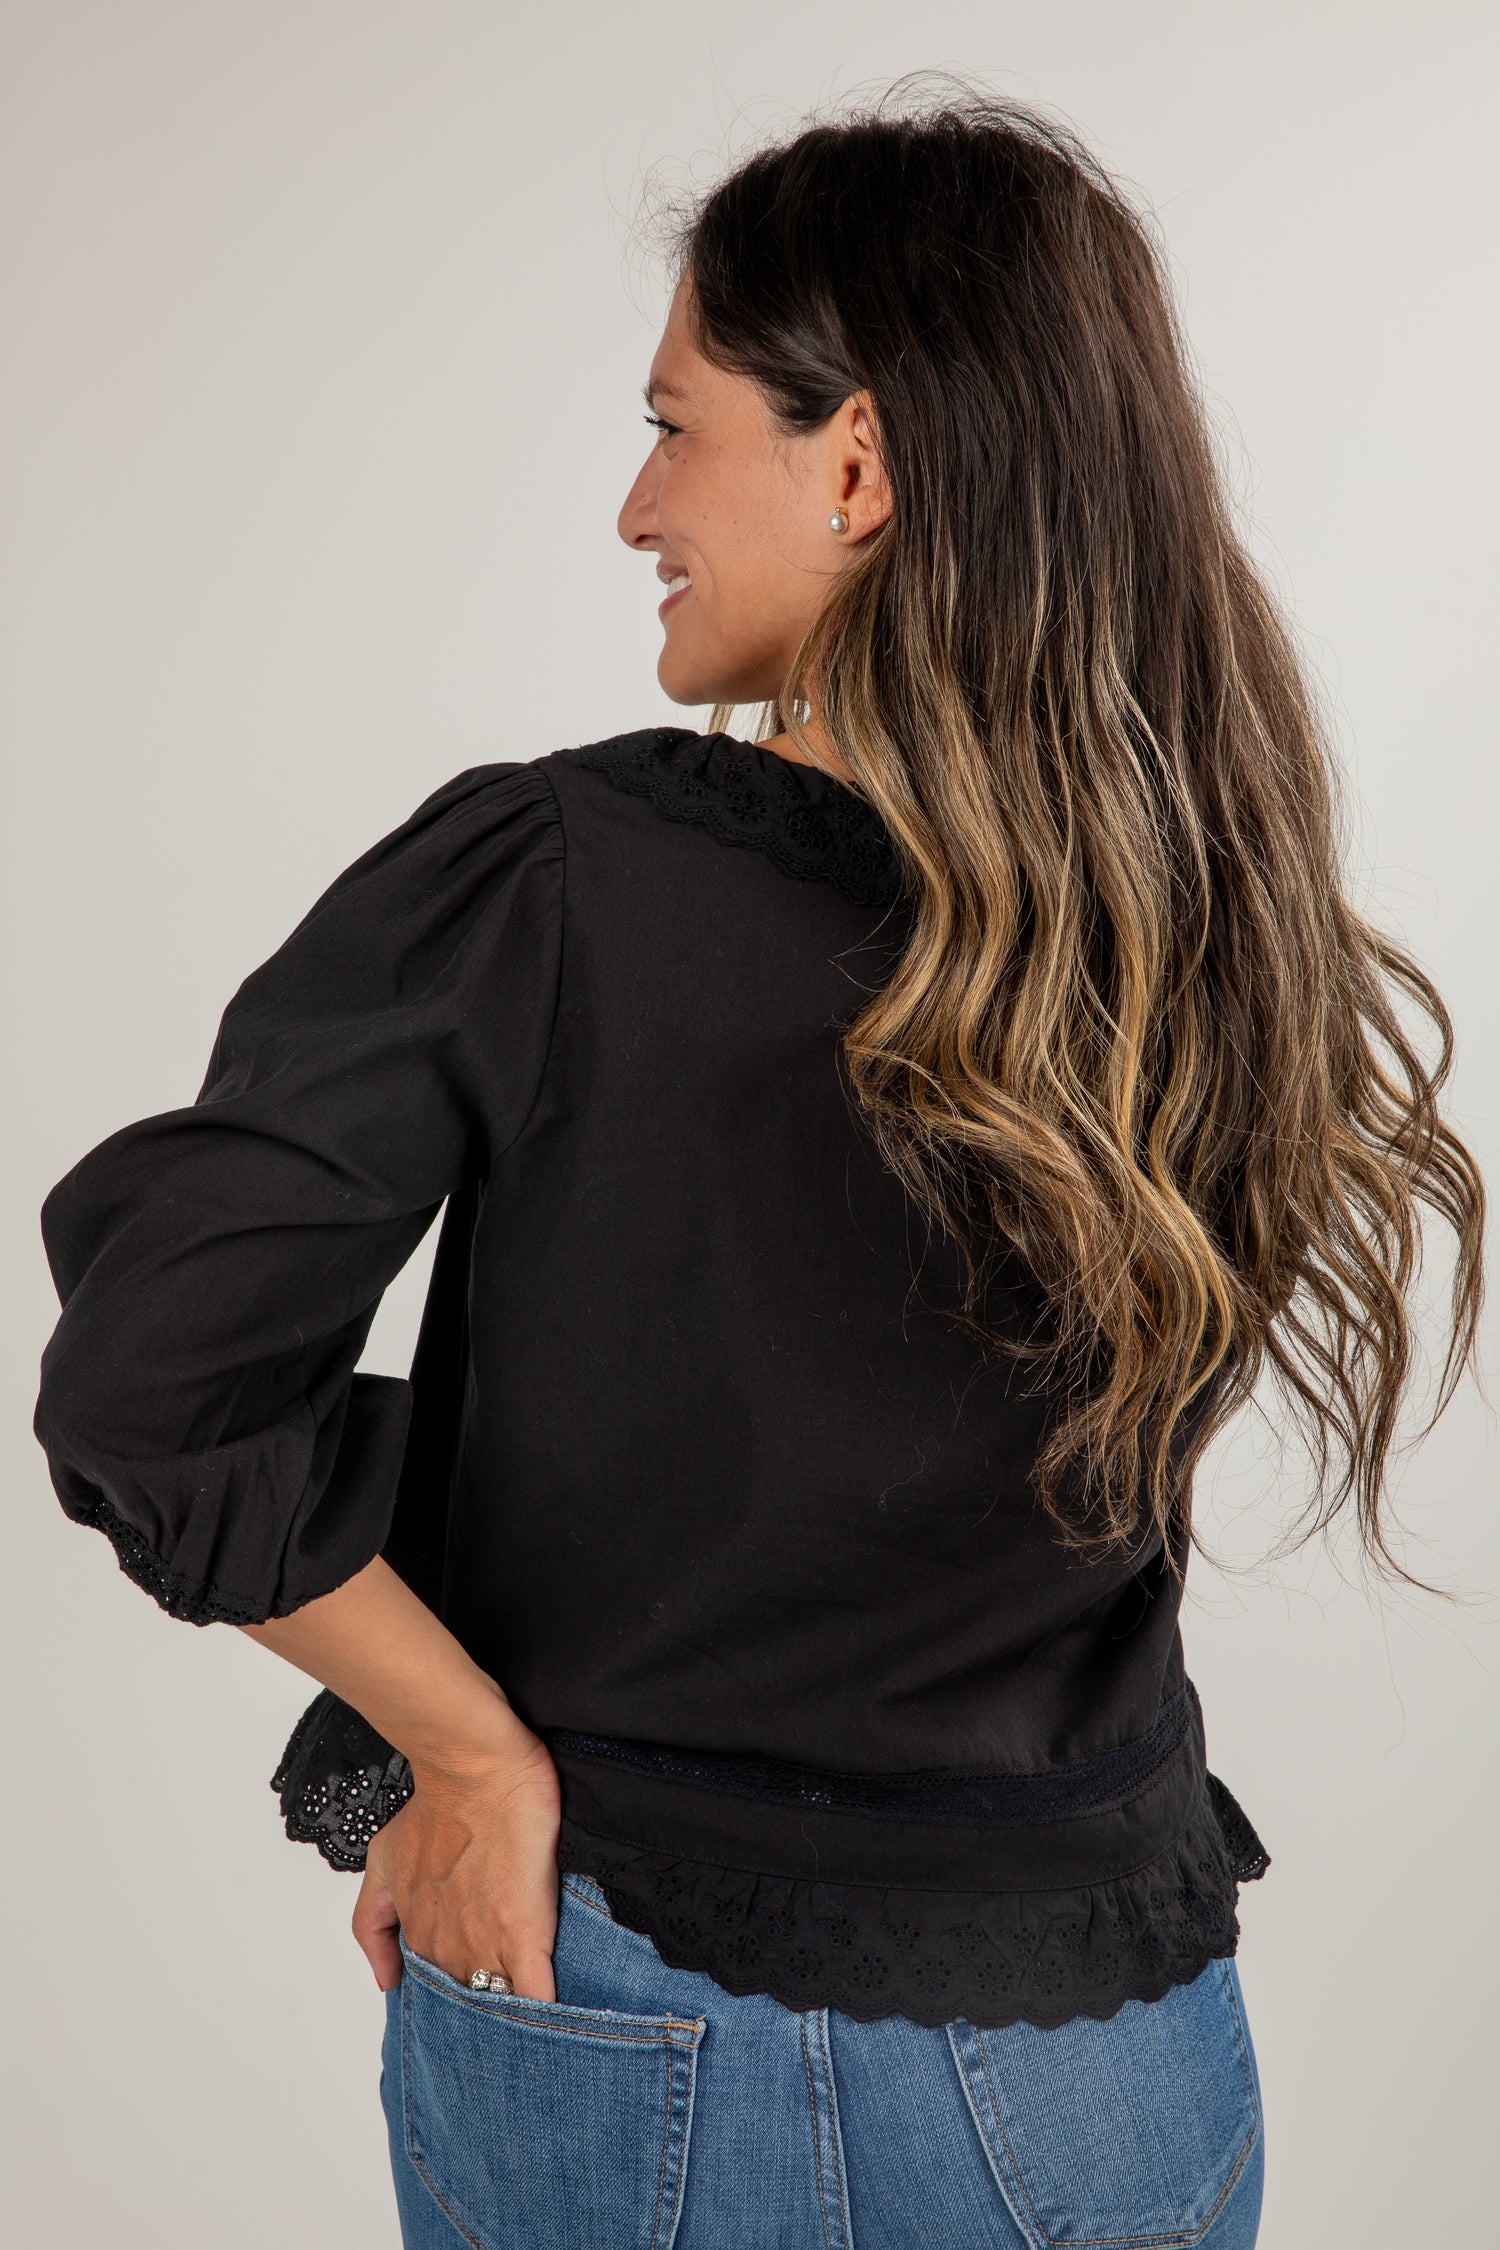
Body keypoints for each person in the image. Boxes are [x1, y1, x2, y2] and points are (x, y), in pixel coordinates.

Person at [33, 85, 1485, 2250]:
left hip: (639, 2021)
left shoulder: (563, 882)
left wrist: (470, 1750)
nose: (637, 502)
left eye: (678, 422)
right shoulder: (1209, 916)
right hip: (1120, 2053)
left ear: (862, 464)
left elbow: (155, 1377)